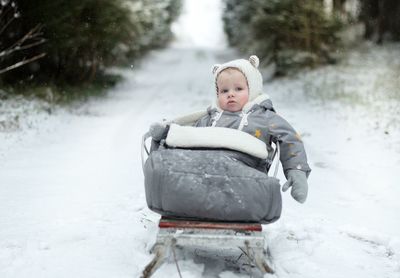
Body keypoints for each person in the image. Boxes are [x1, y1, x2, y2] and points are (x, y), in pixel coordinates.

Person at [149, 55, 311, 203]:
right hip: (207, 173)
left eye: (238, 89)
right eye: (224, 91)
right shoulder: (209, 118)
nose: (231, 94)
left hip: (246, 173)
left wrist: (296, 171)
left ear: (252, 89)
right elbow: (189, 141)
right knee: (185, 167)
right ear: (217, 93)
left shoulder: (264, 117)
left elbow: (290, 138)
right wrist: (166, 134)